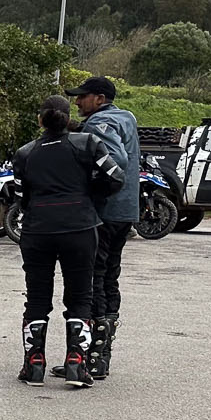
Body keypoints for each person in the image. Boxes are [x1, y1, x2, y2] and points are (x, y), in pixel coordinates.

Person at [12, 96, 123, 388]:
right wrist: (89, 195)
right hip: (80, 226)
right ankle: (77, 363)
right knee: (80, 296)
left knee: (37, 297)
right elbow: (116, 177)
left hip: (37, 229)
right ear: (67, 117)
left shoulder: (25, 153)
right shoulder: (87, 143)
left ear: (40, 119)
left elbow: (20, 196)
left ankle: (34, 365)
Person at [68, 76, 140, 380]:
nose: (77, 101)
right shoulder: (126, 117)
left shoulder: (100, 122)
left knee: (94, 279)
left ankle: (93, 356)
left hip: (105, 211)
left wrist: (95, 188)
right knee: (110, 277)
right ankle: (101, 356)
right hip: (125, 210)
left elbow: (114, 159)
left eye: (82, 96)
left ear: (99, 98)